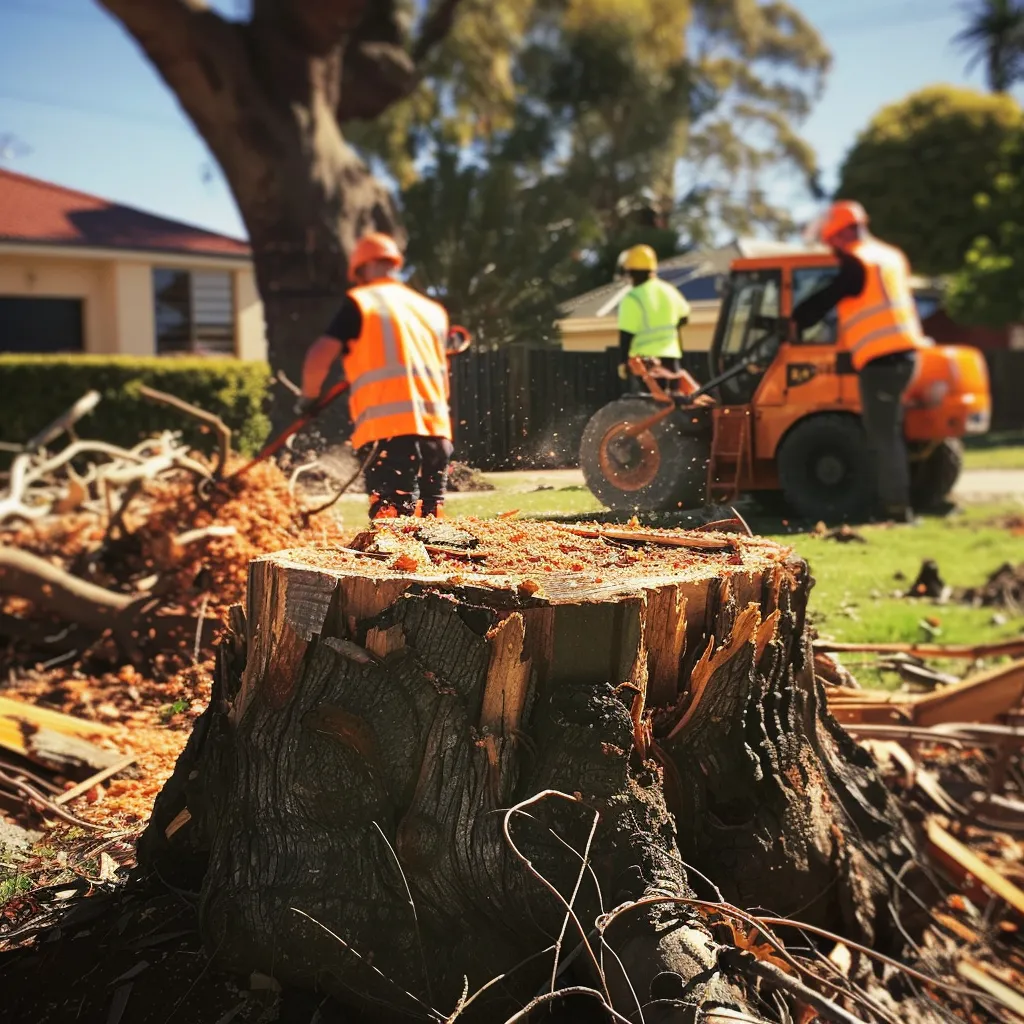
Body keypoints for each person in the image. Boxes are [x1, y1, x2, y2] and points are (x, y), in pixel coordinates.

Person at [299, 232, 454, 520]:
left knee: (392, 528)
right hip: (437, 435)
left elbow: (319, 355)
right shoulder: (431, 309)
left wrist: (308, 397)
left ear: (360, 270)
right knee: (433, 526)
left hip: (390, 435)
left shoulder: (362, 302)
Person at [791, 201, 929, 522]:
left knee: (883, 436)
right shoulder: (889, 256)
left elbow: (831, 295)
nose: (832, 250)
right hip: (905, 356)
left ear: (840, 235)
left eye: (832, 243)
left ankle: (895, 510)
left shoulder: (858, 263)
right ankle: (896, 503)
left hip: (882, 361)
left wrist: (798, 318)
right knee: (888, 433)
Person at [616, 244, 695, 393]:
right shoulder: (669, 290)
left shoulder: (632, 298)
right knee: (674, 401)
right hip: (671, 358)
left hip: (645, 362)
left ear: (631, 272)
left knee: (649, 406)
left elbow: (626, 335)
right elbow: (684, 317)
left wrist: (622, 362)